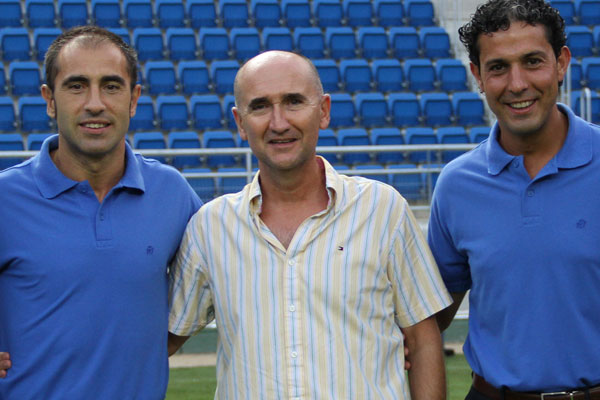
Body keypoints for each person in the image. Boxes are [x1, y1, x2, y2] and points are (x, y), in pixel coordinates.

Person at [167, 50, 452, 399]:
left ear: (324, 111)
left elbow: (423, 340)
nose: (279, 122)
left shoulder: (383, 209)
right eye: (259, 106)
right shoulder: (209, 228)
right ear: (240, 123)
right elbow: (164, 338)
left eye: (293, 102)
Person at [0, 26, 201, 398]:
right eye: (77, 86)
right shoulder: (5, 197)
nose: (95, 103)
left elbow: (218, 274)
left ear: (134, 98)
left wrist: (150, 348)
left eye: (111, 86)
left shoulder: (171, 192)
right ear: (49, 99)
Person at [428, 0, 600, 399]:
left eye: (533, 61)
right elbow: (432, 316)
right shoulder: (456, 185)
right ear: (477, 75)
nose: (517, 83)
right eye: (498, 67)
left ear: (561, 63)